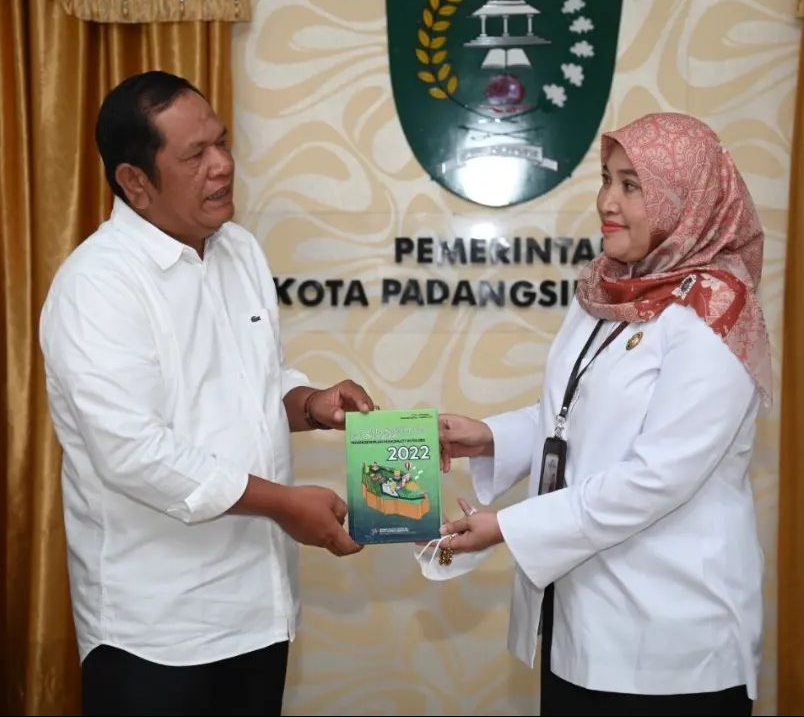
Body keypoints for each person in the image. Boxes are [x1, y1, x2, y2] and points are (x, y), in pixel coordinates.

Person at [39, 71, 375, 717]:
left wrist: (310, 403)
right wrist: (284, 504)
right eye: (196, 155)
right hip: (157, 628)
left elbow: (251, 385)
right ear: (135, 181)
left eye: (222, 143)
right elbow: (133, 452)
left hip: (260, 608)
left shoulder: (238, 250)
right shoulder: (98, 285)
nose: (222, 165)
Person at [438, 112, 771, 716]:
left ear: (685, 197)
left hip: (673, 645)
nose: (606, 202)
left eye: (631, 185)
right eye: (606, 179)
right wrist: (487, 437)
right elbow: (574, 414)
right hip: (580, 621)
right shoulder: (610, 288)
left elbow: (657, 476)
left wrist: (509, 526)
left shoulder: (715, 308)